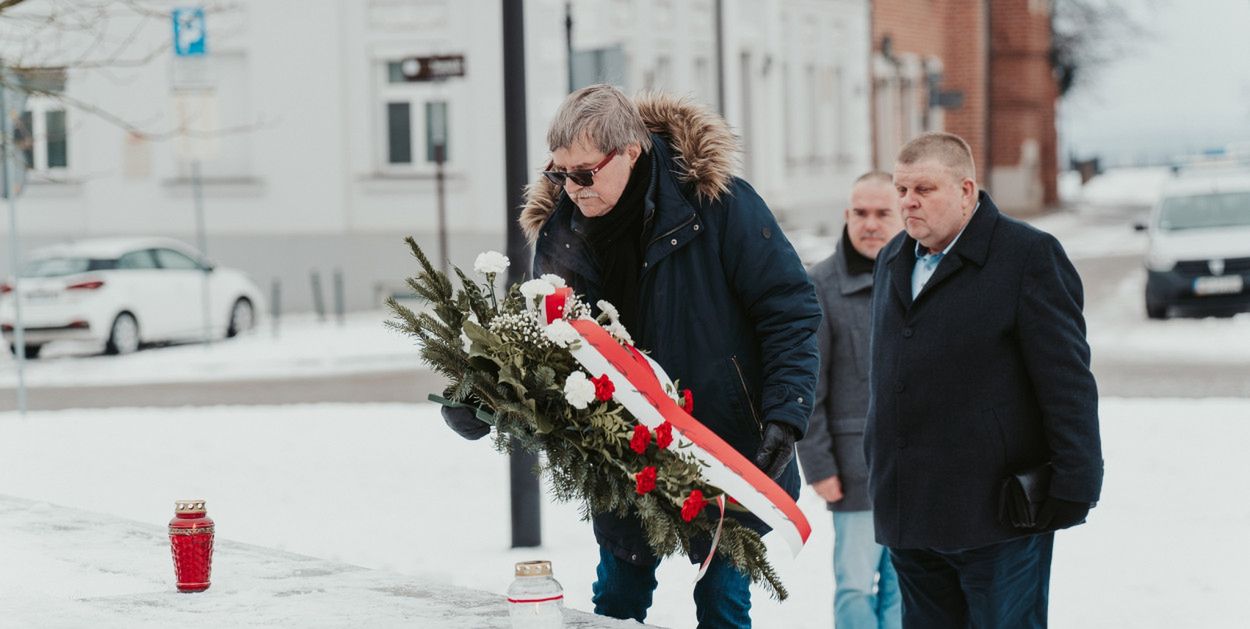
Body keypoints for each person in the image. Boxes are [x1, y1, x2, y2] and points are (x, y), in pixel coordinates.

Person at [481, 83, 816, 627]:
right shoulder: (562, 232)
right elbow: (540, 342)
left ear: (630, 152)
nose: (571, 188)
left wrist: (785, 413)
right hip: (622, 453)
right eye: (558, 173)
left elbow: (789, 310)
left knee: (722, 606)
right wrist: (483, 395)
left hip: (725, 446)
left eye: (584, 173)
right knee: (616, 602)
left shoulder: (717, 202)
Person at [863, 131, 1103, 628]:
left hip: (998, 514)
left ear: (966, 190)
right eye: (901, 189)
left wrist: (1076, 482)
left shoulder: (1028, 256)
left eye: (923, 190)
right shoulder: (892, 260)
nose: (907, 202)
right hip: (910, 511)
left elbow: (1067, 382)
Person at [797, 171, 904, 629]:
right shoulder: (820, 285)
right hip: (853, 472)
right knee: (855, 585)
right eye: (861, 213)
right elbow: (808, 386)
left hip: (913, 475)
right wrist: (819, 466)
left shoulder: (919, 279)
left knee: (907, 588)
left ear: (903, 217)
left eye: (883, 214)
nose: (871, 224)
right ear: (846, 216)